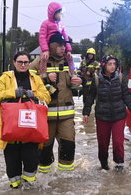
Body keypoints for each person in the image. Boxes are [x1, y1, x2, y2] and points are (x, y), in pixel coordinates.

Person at [0, 51, 51, 189]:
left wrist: (34, 95)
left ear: (29, 64)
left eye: (25, 62)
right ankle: (15, 189)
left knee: (31, 167)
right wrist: (13, 93)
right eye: (20, 62)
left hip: (31, 132)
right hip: (12, 132)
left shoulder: (35, 78)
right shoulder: (5, 78)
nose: (23, 65)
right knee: (12, 171)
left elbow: (46, 97)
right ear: (14, 63)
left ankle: (29, 189)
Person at [82, 55, 131, 171]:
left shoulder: (120, 78)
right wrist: (86, 112)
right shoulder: (97, 79)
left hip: (119, 116)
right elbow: (90, 96)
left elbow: (126, 95)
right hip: (102, 116)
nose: (113, 66)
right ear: (104, 65)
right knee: (103, 144)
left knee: (118, 143)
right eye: (110, 64)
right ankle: (104, 166)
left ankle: (119, 166)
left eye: (114, 64)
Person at [38, 32, 82, 173]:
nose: (63, 48)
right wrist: (45, 78)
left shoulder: (68, 61)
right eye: (59, 46)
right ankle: (44, 178)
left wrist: (78, 81)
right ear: (52, 46)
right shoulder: (41, 60)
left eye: (64, 46)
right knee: (44, 149)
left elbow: (74, 81)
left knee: (68, 147)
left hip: (67, 116)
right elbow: (27, 78)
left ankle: (66, 180)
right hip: (46, 116)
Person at [39, 2, 74, 77]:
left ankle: (73, 74)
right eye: (59, 13)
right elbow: (42, 37)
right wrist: (45, 50)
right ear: (53, 13)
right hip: (50, 46)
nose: (61, 15)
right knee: (44, 58)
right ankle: (43, 74)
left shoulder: (61, 24)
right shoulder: (45, 23)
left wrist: (68, 50)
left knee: (70, 58)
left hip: (60, 41)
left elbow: (65, 37)